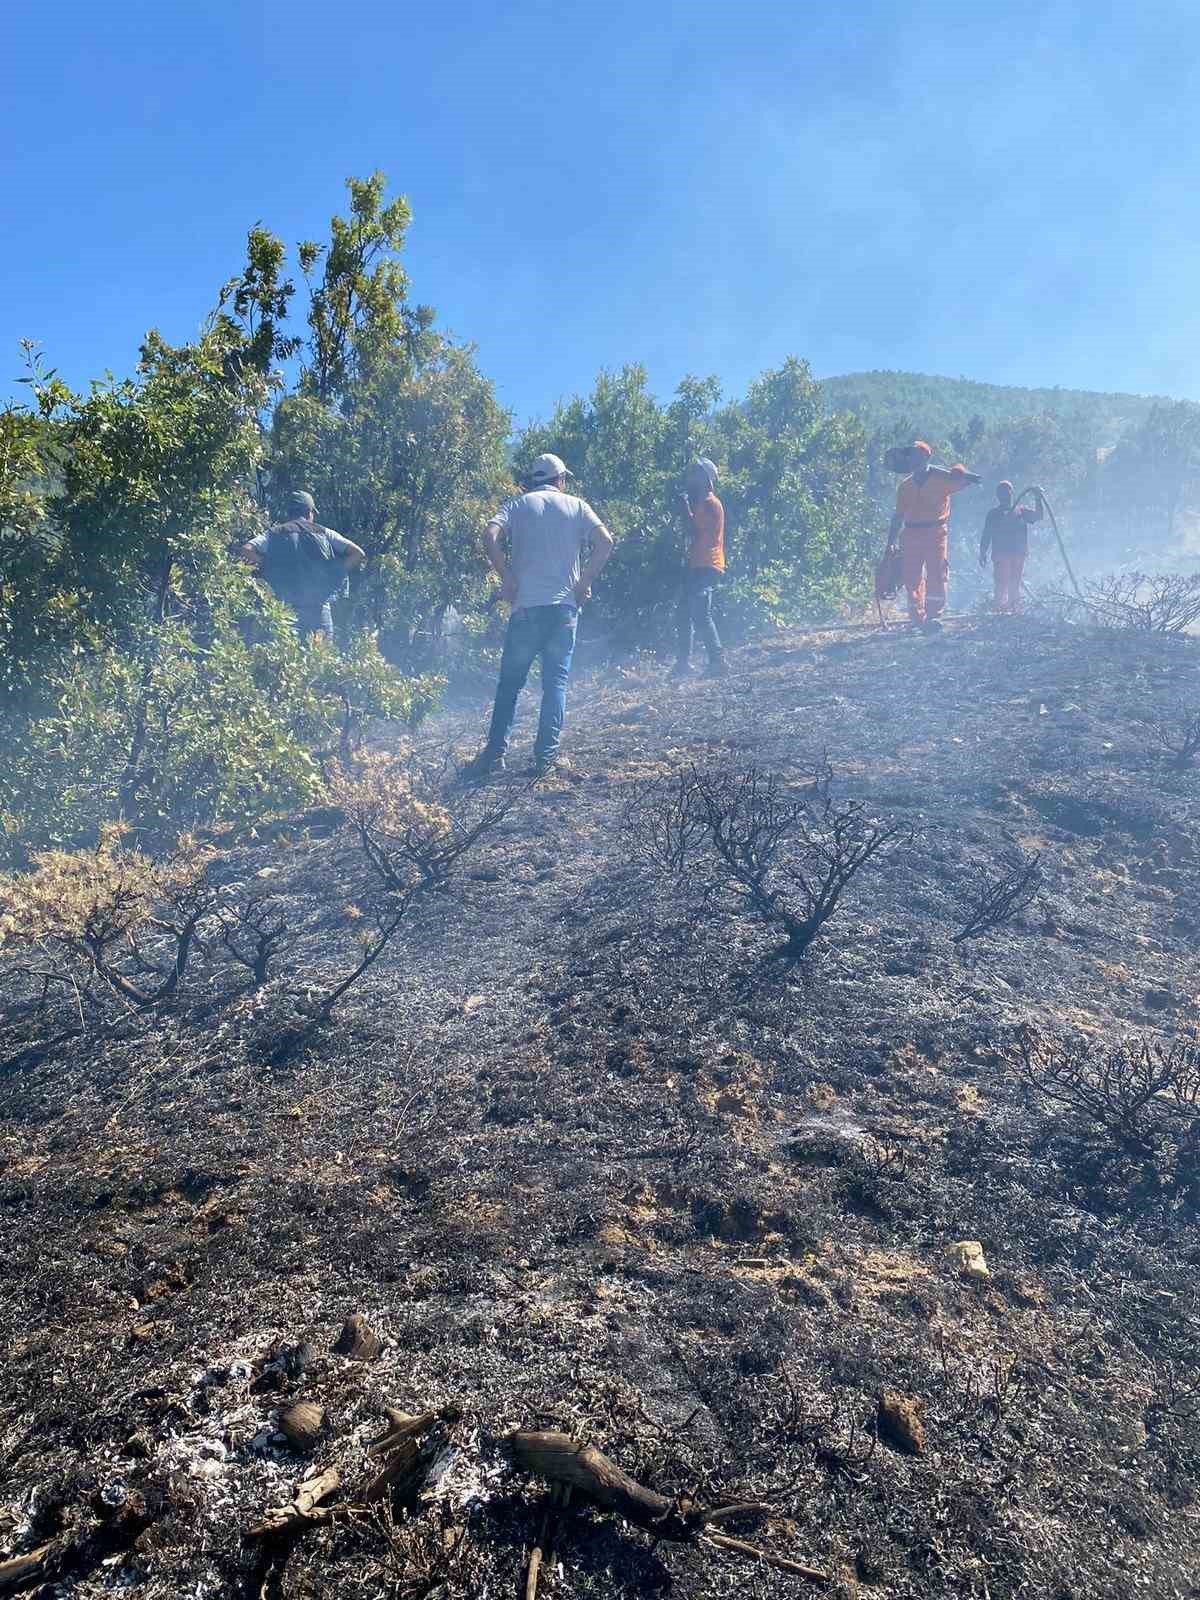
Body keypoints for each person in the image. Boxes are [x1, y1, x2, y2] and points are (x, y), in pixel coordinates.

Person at [462, 454, 615, 781]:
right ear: (560, 478)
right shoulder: (577, 506)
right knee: (555, 684)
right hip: (563, 610)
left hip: (526, 609)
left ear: (534, 480)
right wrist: (583, 582)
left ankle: (494, 756)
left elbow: (489, 536)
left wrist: (507, 576)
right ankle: (545, 760)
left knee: (510, 686)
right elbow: (605, 542)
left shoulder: (517, 505)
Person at [241, 491, 364, 643]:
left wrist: (268, 566)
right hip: (319, 609)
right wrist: (335, 572)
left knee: (287, 658)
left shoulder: (274, 533)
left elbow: (246, 550)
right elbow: (358, 553)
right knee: (322, 659)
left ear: (290, 512)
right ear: (309, 512)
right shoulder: (324, 533)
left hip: (287, 610)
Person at [887, 442, 981, 632]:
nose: (911, 460)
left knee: (937, 574)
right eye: (910, 457)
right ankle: (916, 618)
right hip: (911, 534)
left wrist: (958, 471)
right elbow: (898, 517)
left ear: (925, 458)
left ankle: (933, 616)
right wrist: (890, 541)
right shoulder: (904, 487)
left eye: (915, 456)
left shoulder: (942, 479)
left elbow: (973, 480)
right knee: (911, 577)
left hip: (936, 533)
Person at [673, 458, 727, 678]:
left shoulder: (709, 503)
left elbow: (695, 533)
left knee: (700, 612)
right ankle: (683, 664)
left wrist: (684, 510)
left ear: (705, 477)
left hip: (708, 564)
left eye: (694, 473)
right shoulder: (702, 503)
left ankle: (717, 661)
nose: (690, 478)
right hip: (699, 564)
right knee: (684, 612)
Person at [979, 481, 1044, 614]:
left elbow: (1038, 516)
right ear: (998, 496)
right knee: (1001, 583)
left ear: (1012, 494)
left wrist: (1038, 497)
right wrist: (982, 552)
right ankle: (999, 612)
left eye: (1007, 491)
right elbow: (986, 534)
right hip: (1001, 555)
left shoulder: (1021, 511)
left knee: (1014, 583)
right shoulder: (993, 514)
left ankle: (1015, 611)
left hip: (1018, 554)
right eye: (1002, 492)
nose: (1005, 494)